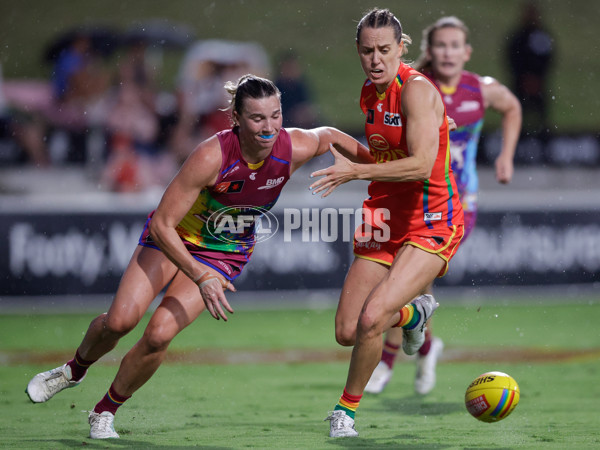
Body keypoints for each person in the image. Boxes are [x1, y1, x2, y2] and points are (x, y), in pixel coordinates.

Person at [25, 74, 372, 440]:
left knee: (159, 335)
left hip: (223, 251)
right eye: (257, 118)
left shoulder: (295, 146)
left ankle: (104, 411)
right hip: (172, 239)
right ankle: (72, 371)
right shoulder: (212, 155)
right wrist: (198, 275)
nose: (269, 127)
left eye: (276, 115)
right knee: (120, 322)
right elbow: (162, 224)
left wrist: (371, 170)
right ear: (236, 119)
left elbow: (331, 136)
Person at [309, 8, 464, 438]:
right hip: (383, 217)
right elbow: (382, 159)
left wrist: (354, 173)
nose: (375, 59)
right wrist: (336, 141)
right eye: (366, 51)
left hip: (431, 217)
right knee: (346, 330)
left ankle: (345, 412)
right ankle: (414, 316)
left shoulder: (415, 91)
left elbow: (418, 165)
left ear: (401, 48)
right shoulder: (370, 92)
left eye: (383, 50)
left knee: (373, 316)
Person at [365, 16, 522, 397]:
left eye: (456, 45)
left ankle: (388, 360)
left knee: (409, 279)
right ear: (428, 50)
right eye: (441, 45)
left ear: (467, 52)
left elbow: (513, 107)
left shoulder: (480, 89)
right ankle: (425, 347)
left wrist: (506, 157)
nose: (448, 52)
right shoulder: (414, 84)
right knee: (410, 284)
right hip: (412, 195)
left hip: (455, 202)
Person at [507, 1, 553, 133]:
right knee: (517, 114)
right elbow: (513, 58)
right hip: (521, 83)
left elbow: (548, 58)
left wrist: (537, 77)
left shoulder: (542, 36)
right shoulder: (518, 37)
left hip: (539, 83)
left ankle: (543, 141)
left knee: (541, 116)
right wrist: (524, 77)